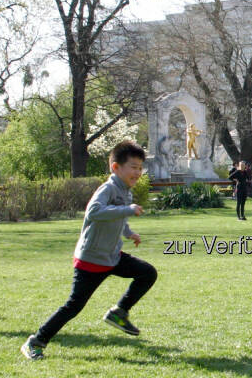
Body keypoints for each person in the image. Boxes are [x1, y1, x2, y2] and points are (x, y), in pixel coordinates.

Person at [21, 141, 156, 359]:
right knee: (73, 306)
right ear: (116, 167)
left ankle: (119, 312)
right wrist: (127, 210)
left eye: (140, 167)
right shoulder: (109, 188)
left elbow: (117, 217)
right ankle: (36, 341)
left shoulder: (125, 191)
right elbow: (94, 212)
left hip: (112, 256)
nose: (138, 172)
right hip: (92, 260)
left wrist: (128, 232)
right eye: (133, 167)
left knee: (147, 272)